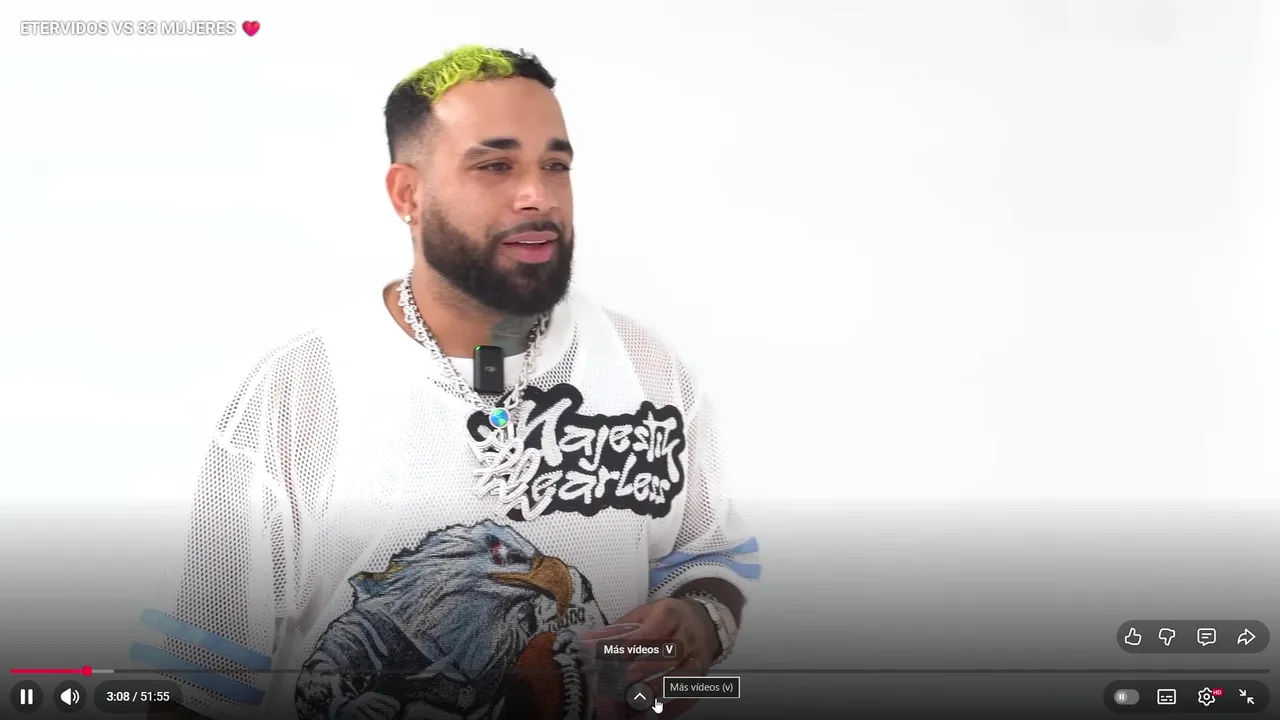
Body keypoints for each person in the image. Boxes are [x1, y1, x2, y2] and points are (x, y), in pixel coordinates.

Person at [133, 45, 760, 720]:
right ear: (409, 194)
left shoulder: (646, 368)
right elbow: (198, 680)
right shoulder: (302, 391)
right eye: (495, 166)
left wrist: (698, 621)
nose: (539, 196)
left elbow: (713, 557)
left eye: (556, 165)